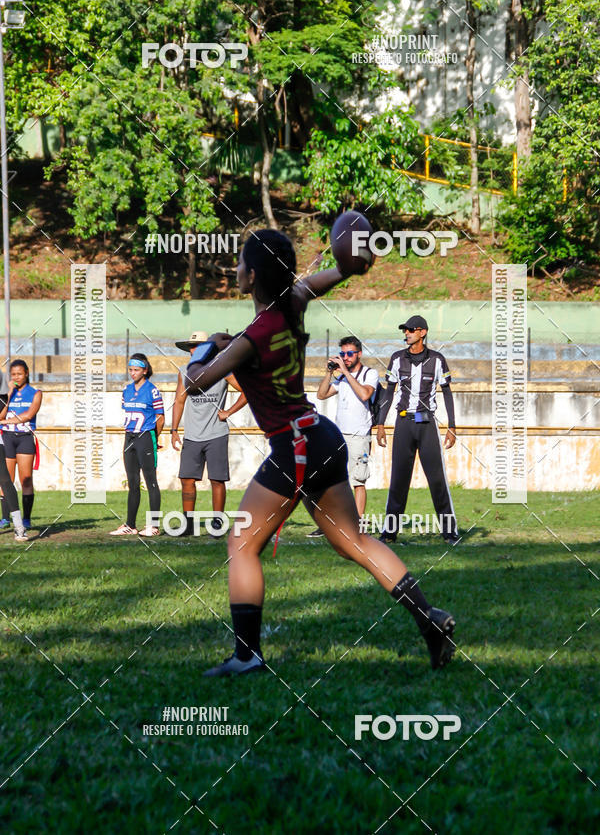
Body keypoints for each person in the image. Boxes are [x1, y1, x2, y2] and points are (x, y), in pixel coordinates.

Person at [185, 229, 456, 677]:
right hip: (320, 436)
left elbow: (196, 381)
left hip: (294, 445)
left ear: (252, 276)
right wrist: (349, 266)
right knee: (354, 542)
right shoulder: (292, 304)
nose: (236, 268)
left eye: (240, 263)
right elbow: (319, 280)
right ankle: (430, 618)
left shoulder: (249, 338)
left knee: (241, 544)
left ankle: (247, 656)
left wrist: (207, 346)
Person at [376, 315, 459, 545]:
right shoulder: (397, 358)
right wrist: (381, 424)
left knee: (437, 479)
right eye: (405, 330)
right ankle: (389, 533)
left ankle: (450, 533)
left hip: (427, 424)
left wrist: (452, 426)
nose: (407, 333)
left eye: (411, 330)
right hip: (403, 423)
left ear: (423, 332)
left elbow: (447, 393)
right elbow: (389, 392)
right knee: (398, 479)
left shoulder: (437, 359)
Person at [171, 331, 247, 537]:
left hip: (216, 434)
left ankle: (217, 523)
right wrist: (174, 430)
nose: (193, 350)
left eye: (197, 346)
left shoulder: (223, 370)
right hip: (192, 435)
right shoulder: (184, 371)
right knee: (187, 479)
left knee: (217, 480)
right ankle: (188, 524)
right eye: (191, 347)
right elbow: (179, 401)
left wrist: (229, 412)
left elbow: (246, 391)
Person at [315, 336, 379, 531]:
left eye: (350, 354)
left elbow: (365, 394)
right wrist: (329, 373)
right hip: (339, 435)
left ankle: (357, 522)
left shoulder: (369, 373)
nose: (346, 357)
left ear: (359, 354)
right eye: (342, 354)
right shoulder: (342, 377)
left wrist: (345, 372)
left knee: (358, 480)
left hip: (359, 435)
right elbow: (321, 394)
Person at [110, 353, 165, 537]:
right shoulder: (126, 390)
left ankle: (154, 526)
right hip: (129, 438)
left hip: (145, 437)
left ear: (145, 370)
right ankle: (130, 524)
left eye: (136, 370)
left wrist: (153, 438)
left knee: (151, 481)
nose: (133, 373)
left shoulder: (152, 390)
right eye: (130, 370)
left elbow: (160, 417)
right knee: (133, 482)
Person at [0, 360, 42, 531]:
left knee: (26, 480)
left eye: (19, 374)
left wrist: (6, 421)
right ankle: (5, 518)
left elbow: (29, 415)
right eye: (13, 374)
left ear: (26, 373)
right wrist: (8, 393)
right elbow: (0, 414)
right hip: (7, 438)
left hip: (24, 438)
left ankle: (26, 519)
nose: (16, 377)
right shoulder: (6, 393)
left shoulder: (35, 393)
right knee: (6, 480)